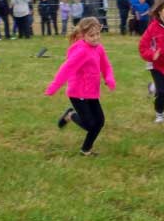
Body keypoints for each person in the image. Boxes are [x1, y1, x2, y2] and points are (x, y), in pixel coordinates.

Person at [45, 16, 116, 156]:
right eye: (91, 35)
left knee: (99, 122)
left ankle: (85, 150)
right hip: (78, 93)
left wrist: (109, 78)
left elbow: (106, 66)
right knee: (90, 124)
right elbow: (66, 69)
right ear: (83, 36)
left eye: (97, 34)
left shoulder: (99, 48)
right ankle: (71, 115)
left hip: (92, 92)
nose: (96, 38)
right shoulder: (82, 51)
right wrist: (54, 86)